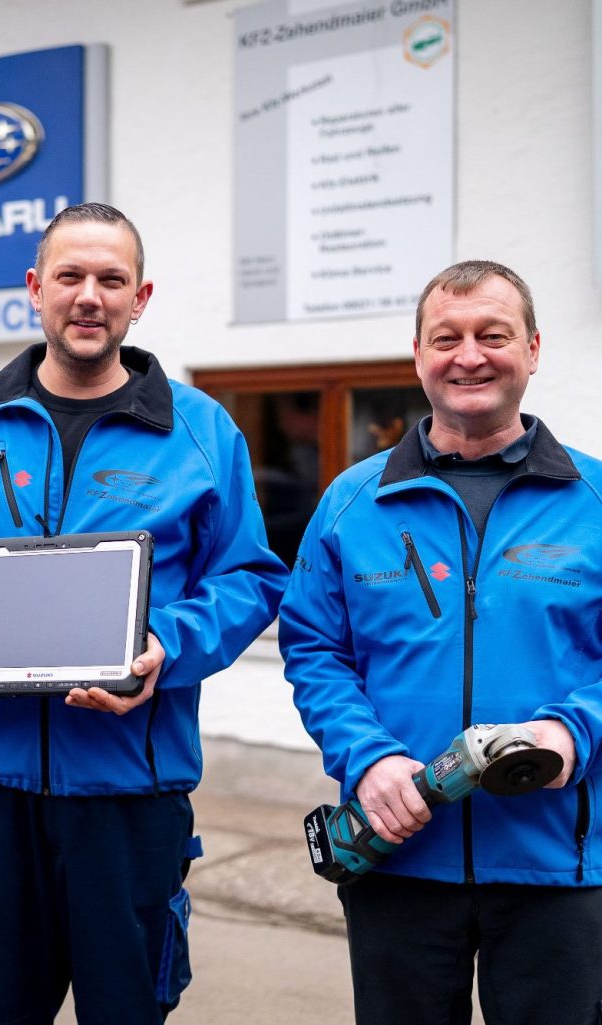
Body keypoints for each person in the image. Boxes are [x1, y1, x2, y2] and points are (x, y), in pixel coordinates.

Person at [0, 202, 286, 1024]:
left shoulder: (200, 430)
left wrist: (168, 645)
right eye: (70, 276)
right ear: (34, 288)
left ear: (141, 297)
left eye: (110, 279)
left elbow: (247, 577)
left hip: (133, 790)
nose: (88, 295)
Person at [279, 260, 602, 1025]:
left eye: (491, 335)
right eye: (445, 337)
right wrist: (368, 756)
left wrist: (571, 727)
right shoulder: (351, 502)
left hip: (558, 860)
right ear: (417, 354)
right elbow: (313, 648)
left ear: (530, 348)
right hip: (397, 853)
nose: (468, 355)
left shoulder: (593, 500)